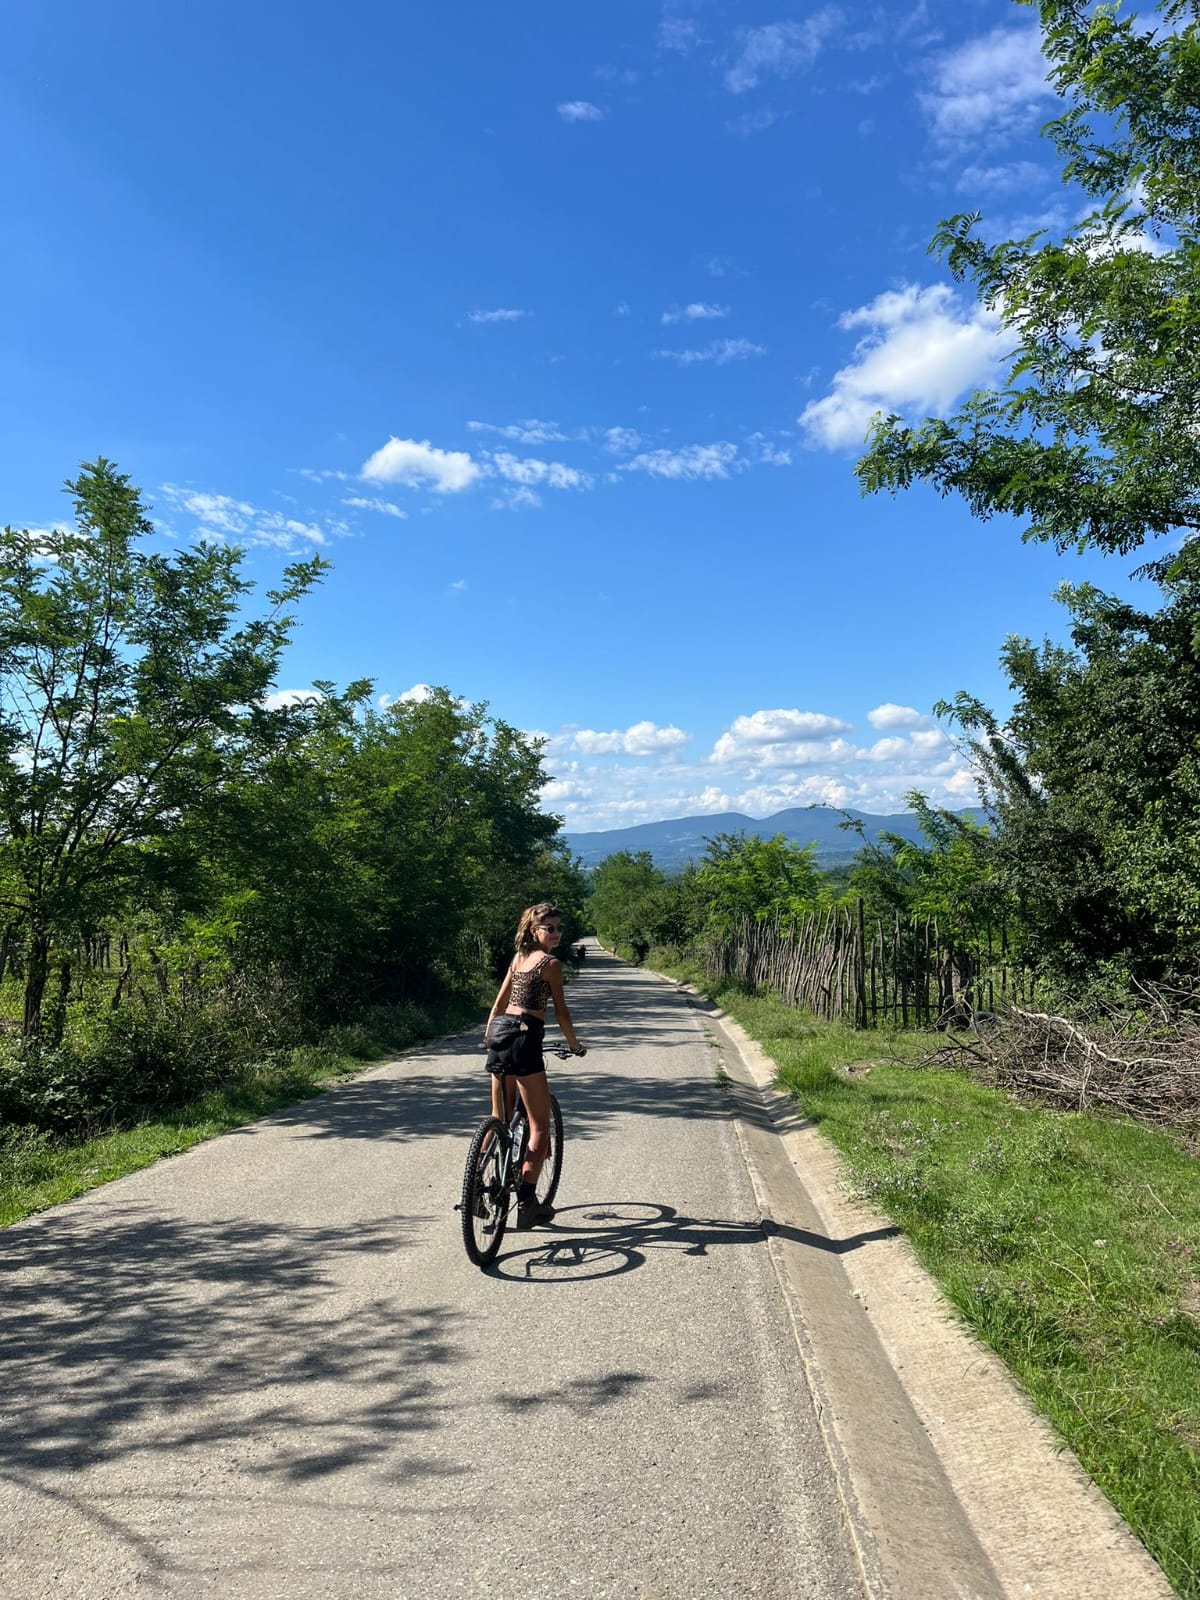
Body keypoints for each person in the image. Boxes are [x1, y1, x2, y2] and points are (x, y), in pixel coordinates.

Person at [484, 901, 586, 1229]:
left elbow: (501, 1001)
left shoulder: (518, 959)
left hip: (500, 1037)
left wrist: (489, 1034)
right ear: (534, 930)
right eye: (549, 928)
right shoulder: (550, 964)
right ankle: (527, 1203)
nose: (555, 934)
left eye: (558, 928)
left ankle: (476, 1189)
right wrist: (574, 1044)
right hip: (526, 1040)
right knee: (539, 1126)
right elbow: (562, 1011)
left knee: (499, 1118)